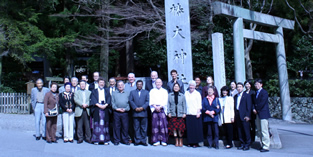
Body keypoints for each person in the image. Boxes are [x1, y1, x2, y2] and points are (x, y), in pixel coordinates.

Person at [90, 77, 111, 145]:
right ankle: (96, 139)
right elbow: (93, 100)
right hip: (97, 108)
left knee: (105, 124)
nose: (101, 84)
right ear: (98, 83)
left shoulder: (107, 91)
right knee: (97, 124)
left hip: (105, 108)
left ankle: (105, 140)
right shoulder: (94, 91)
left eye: (103, 83)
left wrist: (105, 105)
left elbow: (109, 99)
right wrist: (99, 105)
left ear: (104, 83)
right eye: (100, 82)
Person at [129, 80, 150, 146]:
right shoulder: (132, 92)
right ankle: (137, 140)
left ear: (142, 85)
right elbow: (131, 100)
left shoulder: (146, 92)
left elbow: (147, 101)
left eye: (140, 84)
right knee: (136, 127)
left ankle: (143, 140)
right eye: (138, 84)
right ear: (136, 85)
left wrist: (142, 108)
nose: (139, 85)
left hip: (143, 112)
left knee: (144, 128)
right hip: (135, 113)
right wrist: (135, 108)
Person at [149, 78, 169, 146]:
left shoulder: (164, 91)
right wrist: (155, 106)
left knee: (163, 125)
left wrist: (160, 107)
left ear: (162, 83)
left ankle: (163, 140)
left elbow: (165, 100)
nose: (158, 83)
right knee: (155, 125)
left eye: (159, 82)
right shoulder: (152, 91)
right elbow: (151, 100)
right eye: (157, 82)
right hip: (155, 109)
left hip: (162, 109)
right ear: (155, 83)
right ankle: (156, 140)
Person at [254, 79, 271, 153]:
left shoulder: (264, 92)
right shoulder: (255, 93)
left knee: (264, 130)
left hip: (263, 113)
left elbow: (262, 102)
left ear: (261, 84)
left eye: (258, 84)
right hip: (257, 113)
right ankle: (262, 144)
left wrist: (256, 109)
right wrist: (254, 109)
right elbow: (254, 102)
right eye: (255, 84)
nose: (256, 85)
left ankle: (266, 146)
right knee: (259, 130)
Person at [234, 82, 252, 151]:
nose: (239, 88)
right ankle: (242, 143)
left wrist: (248, 115)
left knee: (246, 130)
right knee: (239, 130)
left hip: (244, 115)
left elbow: (249, 106)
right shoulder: (236, 96)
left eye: (240, 87)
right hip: (238, 114)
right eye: (238, 87)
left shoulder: (246, 96)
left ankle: (247, 144)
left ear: (243, 88)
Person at [185, 80, 203, 148]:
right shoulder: (186, 93)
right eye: (190, 85)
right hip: (188, 112)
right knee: (189, 129)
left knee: (196, 129)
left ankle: (195, 143)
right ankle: (190, 142)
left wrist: (198, 112)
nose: (191, 87)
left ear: (195, 86)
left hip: (195, 113)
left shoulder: (197, 93)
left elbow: (199, 104)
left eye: (192, 85)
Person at [112, 81, 131, 145]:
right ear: (117, 86)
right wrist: (117, 109)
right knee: (116, 127)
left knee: (125, 127)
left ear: (124, 86)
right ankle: (116, 140)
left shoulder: (127, 93)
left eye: (122, 85)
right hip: (116, 112)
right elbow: (112, 103)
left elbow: (129, 103)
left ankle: (125, 140)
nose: (120, 86)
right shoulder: (114, 93)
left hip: (125, 112)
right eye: (119, 85)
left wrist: (125, 109)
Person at [167, 83, 186, 147]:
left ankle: (181, 141)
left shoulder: (182, 95)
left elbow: (184, 105)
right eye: (175, 86)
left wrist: (184, 113)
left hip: (180, 114)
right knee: (174, 129)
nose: (176, 88)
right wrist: (168, 112)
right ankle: (176, 141)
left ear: (179, 88)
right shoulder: (170, 95)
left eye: (177, 86)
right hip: (173, 114)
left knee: (180, 129)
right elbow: (168, 104)